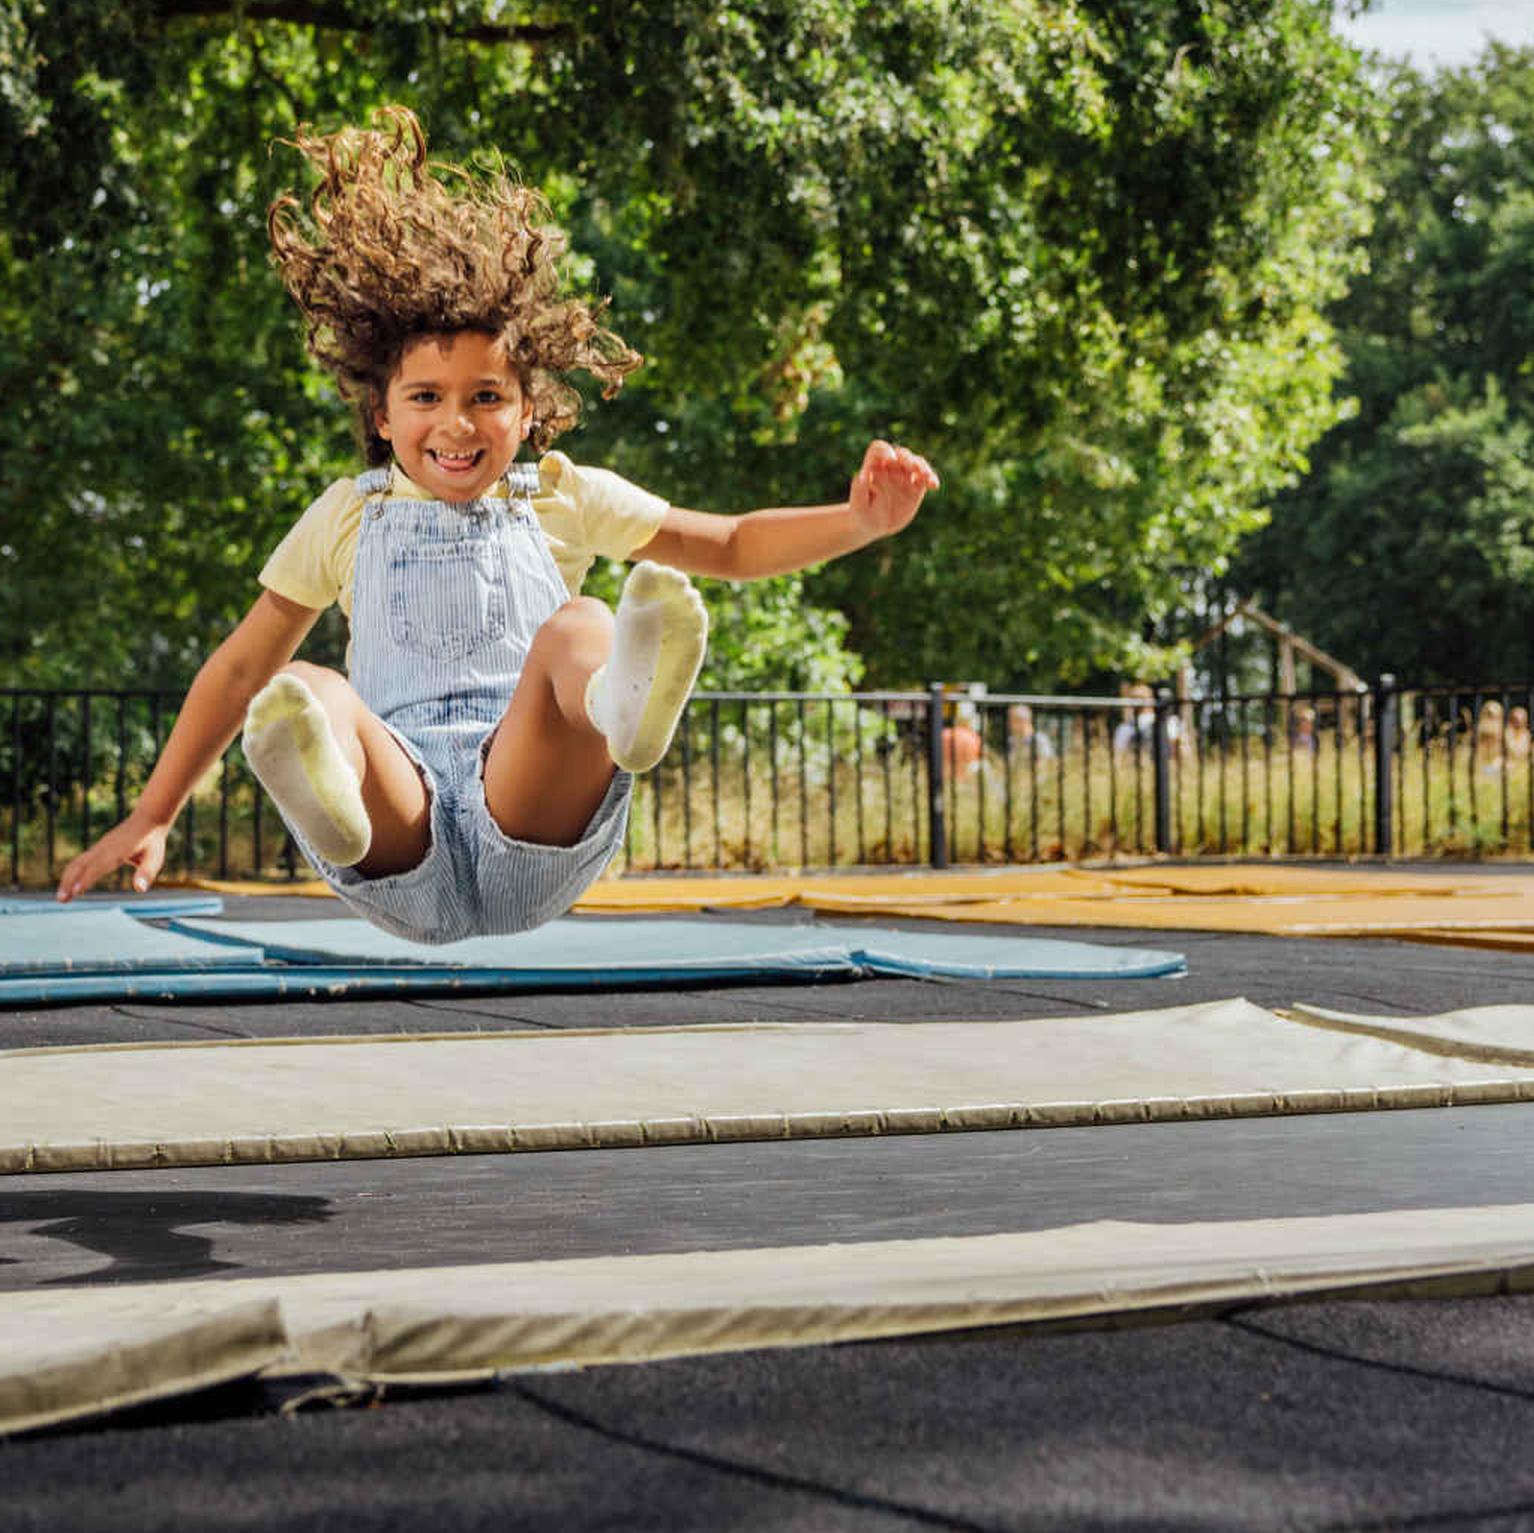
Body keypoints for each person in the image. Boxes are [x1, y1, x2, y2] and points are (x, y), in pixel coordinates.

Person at [54, 109, 940, 937]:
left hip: (532, 814)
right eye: (426, 398)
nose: (457, 423)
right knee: (307, 691)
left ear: (527, 413)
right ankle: (329, 801)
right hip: (403, 837)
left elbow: (734, 545)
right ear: (382, 418)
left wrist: (858, 519)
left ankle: (617, 714)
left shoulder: (562, 492)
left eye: (488, 398)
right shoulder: (343, 517)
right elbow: (242, 663)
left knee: (583, 626)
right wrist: (153, 810)